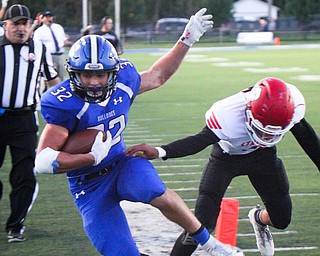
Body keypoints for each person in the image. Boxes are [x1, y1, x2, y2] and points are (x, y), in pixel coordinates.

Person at [35, 9, 243, 256]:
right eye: (86, 75)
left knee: (154, 191)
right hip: (87, 185)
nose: (93, 82)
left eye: (100, 74)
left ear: (112, 72)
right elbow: (43, 161)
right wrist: (90, 158)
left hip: (122, 164)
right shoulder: (62, 103)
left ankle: (210, 244)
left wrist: (186, 39)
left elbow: (158, 76)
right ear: (74, 73)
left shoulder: (124, 80)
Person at [125, 77, 320, 256]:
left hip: (263, 158)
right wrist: (161, 151)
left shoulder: (290, 106)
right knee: (201, 223)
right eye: (263, 131)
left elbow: (307, 138)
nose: (267, 137)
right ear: (249, 111)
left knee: (282, 219)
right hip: (226, 159)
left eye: (274, 133)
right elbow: (199, 141)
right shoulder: (227, 114)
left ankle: (259, 218)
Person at [0, 4, 61, 242]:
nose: (21, 28)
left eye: (25, 23)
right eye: (15, 23)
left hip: (24, 119)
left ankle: (15, 226)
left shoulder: (39, 48)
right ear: (5, 24)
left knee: (25, 174)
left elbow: (52, 81)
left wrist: (63, 112)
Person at [33, 10, 66, 81]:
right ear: (43, 19)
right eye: (46, 17)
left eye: (50, 17)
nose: (49, 19)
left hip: (60, 55)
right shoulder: (39, 31)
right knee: (52, 78)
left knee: (61, 76)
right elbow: (37, 45)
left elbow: (63, 40)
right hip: (49, 56)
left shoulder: (58, 27)